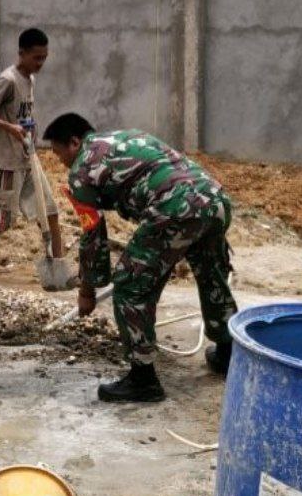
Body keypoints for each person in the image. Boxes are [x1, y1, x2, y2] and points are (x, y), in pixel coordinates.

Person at [42, 113, 238, 402]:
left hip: (176, 208)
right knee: (211, 273)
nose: (63, 163)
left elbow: (93, 237)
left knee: (130, 285)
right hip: (215, 200)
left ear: (74, 142)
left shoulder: (82, 169)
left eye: (60, 155)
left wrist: (87, 291)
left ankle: (142, 379)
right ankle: (228, 353)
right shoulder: (128, 137)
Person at [0, 27, 63, 283]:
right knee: (0, 219)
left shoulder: (30, 79)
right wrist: (9, 127)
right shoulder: (8, 80)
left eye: (44, 58)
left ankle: (58, 271)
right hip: (7, 161)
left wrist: (31, 133)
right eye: (36, 58)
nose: (40, 63)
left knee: (49, 211)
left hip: (27, 157)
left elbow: (24, 115)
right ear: (22, 53)